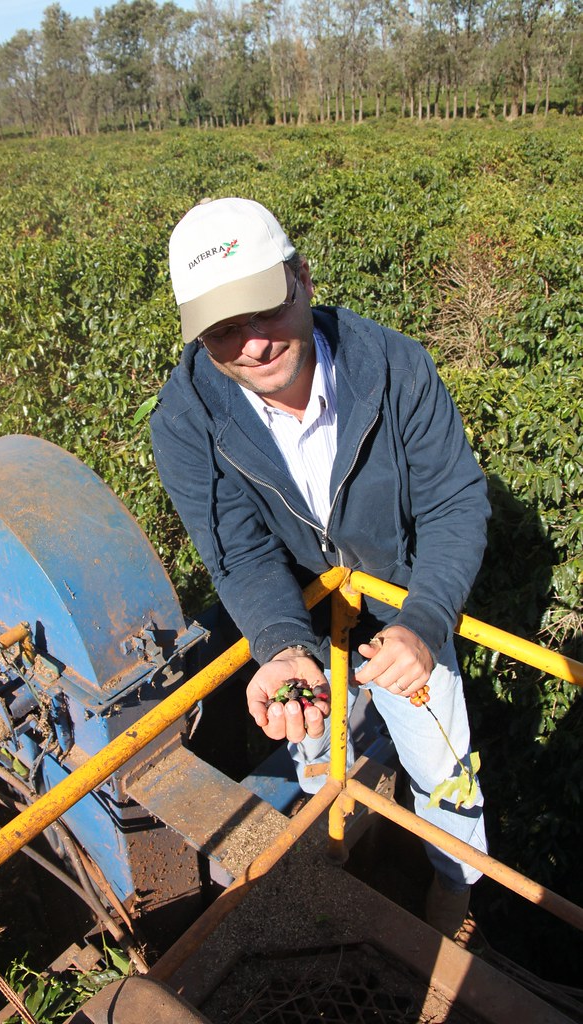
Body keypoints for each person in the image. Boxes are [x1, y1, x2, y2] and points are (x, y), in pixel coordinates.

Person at [150, 196, 490, 939]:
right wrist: (280, 647)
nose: (252, 345)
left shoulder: (394, 366)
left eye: (263, 309)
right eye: (221, 330)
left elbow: (453, 505)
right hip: (302, 617)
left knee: (446, 777)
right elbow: (238, 549)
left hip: (404, 601)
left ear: (302, 278)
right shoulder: (184, 421)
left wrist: (422, 625)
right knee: (316, 754)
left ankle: (451, 909)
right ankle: (337, 870)